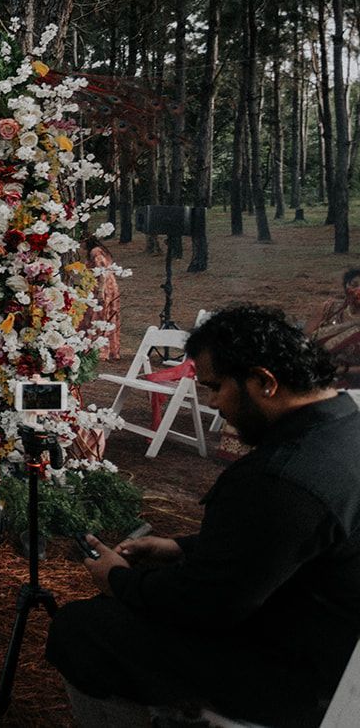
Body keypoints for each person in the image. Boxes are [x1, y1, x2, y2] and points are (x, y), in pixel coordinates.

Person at [48, 304, 360, 728]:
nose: (214, 404)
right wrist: (181, 547)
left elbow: (207, 604)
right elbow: (291, 543)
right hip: (328, 637)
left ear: (264, 382)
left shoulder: (283, 476)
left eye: (216, 388)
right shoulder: (345, 429)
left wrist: (119, 579)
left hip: (298, 673)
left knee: (83, 629)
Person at [308, 268, 360, 382]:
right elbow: (304, 340)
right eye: (354, 285)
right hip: (313, 375)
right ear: (346, 287)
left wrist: (341, 370)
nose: (358, 290)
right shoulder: (329, 309)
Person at [81, 235, 122, 361]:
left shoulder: (95, 252)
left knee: (99, 315)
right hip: (107, 285)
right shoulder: (100, 250)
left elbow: (102, 271)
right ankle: (107, 348)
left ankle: (100, 348)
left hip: (103, 286)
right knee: (106, 315)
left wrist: (100, 290)